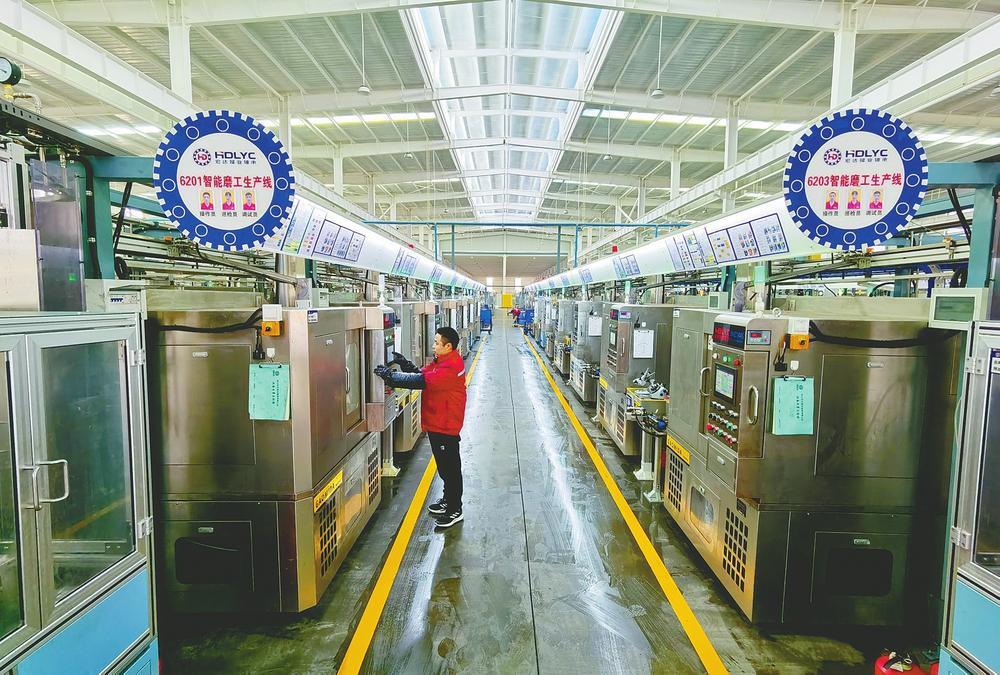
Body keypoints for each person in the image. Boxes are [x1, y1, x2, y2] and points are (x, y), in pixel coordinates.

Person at [374, 327, 467, 529]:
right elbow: (423, 373)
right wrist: (405, 364)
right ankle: (448, 500)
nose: (433, 346)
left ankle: (455, 509)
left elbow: (421, 381)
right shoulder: (442, 361)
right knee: (444, 467)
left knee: (450, 469)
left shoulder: (451, 367)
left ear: (448, 346)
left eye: (436, 343)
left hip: (445, 425)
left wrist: (390, 376)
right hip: (438, 421)